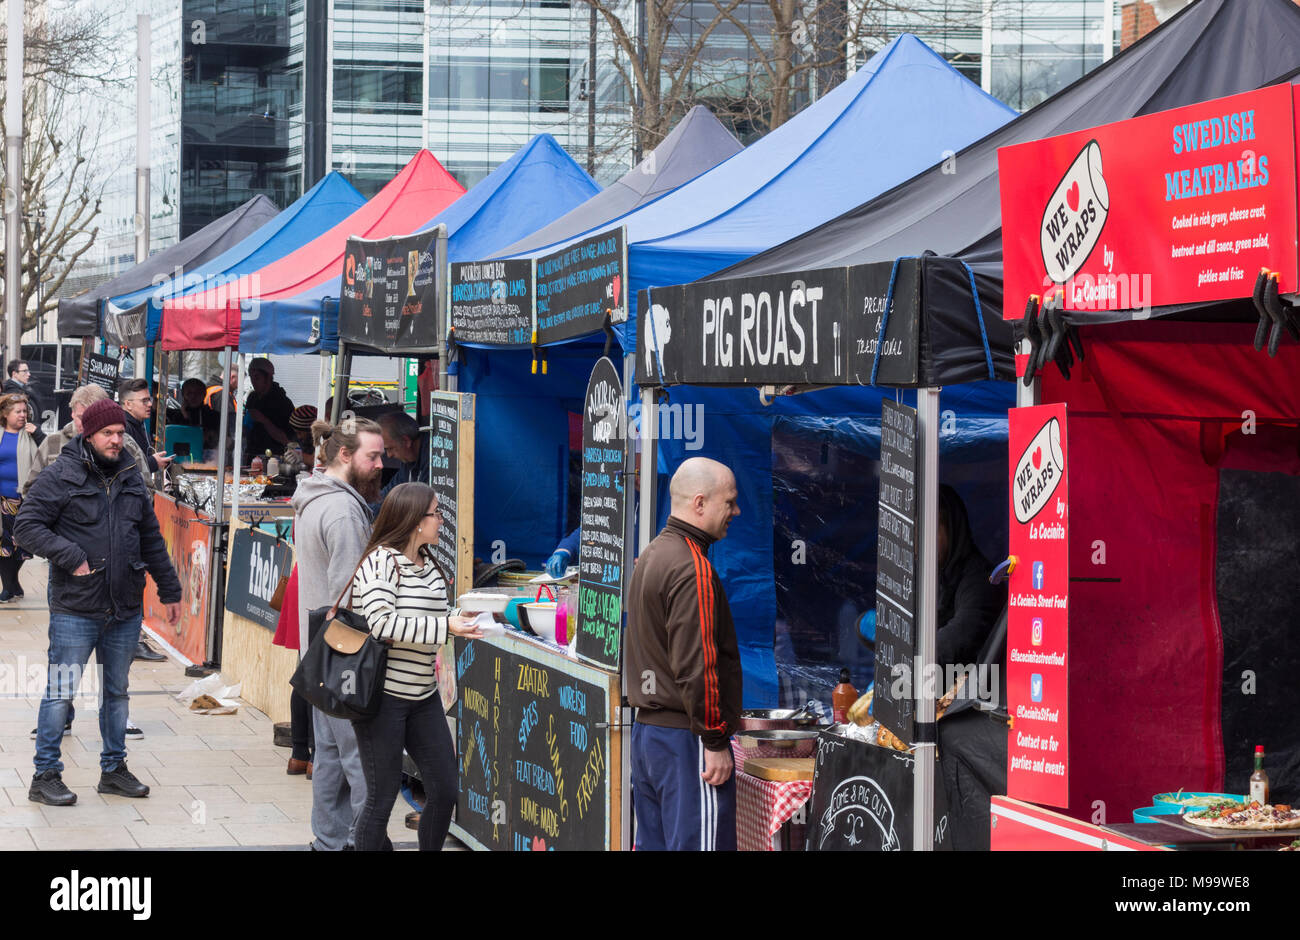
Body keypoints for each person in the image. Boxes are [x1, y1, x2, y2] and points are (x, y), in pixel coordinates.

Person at [17, 398, 182, 807]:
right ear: (88, 434)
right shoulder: (61, 475)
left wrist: (170, 589)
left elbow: (150, 537)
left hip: (124, 605)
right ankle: (45, 775)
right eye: (108, 433)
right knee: (61, 692)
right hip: (77, 607)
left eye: (120, 433)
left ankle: (113, 769)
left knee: (117, 693)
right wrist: (71, 556)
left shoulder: (129, 474)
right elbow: (26, 526)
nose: (116, 440)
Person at [348, 482, 484, 850]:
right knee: (381, 798)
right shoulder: (381, 562)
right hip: (383, 699)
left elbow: (432, 615)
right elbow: (381, 624)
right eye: (436, 513)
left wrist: (461, 616)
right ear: (413, 519)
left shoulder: (427, 562)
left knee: (444, 788)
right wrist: (445, 626)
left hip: (423, 695)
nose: (442, 520)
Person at [626, 456, 743, 851]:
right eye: (729, 502)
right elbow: (697, 665)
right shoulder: (693, 567)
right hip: (685, 742)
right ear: (699, 503)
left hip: (650, 737)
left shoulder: (654, 553)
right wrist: (714, 740)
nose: (736, 511)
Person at [291, 416, 385, 850]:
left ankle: (329, 841)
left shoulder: (313, 496)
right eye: (373, 456)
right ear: (345, 455)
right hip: (342, 649)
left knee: (329, 753)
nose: (381, 464)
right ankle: (362, 841)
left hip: (319, 644)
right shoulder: (344, 511)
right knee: (358, 757)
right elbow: (352, 597)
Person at [935, 484, 1005, 672]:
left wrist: (910, 654)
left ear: (952, 529)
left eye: (930, 530)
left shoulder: (981, 580)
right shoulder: (932, 577)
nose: (917, 541)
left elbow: (960, 637)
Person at [0, 394, 38, 602]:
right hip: (2, 500)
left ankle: (12, 582)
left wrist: (39, 434)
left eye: (25, 411)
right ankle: (9, 586)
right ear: (6, 414)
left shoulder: (30, 434)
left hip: (25, 499)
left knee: (24, 544)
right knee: (4, 544)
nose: (23, 415)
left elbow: (46, 455)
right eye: (18, 411)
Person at [118, 378, 173, 476]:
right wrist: (152, 462)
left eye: (149, 399)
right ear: (128, 404)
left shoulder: (138, 424)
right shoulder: (123, 429)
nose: (150, 404)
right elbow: (124, 467)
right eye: (144, 401)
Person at [245, 357, 295, 457]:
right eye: (251, 377)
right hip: (252, 454)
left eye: (257, 377)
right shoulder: (252, 398)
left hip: (274, 457)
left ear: (268, 377)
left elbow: (287, 440)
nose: (253, 381)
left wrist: (264, 420)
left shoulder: (283, 403)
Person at [376, 411, 429, 500]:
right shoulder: (408, 461)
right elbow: (389, 495)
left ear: (406, 441)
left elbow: (420, 504)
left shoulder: (431, 460)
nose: (389, 455)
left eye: (390, 448)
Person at [167, 377, 220, 451]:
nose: (193, 396)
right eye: (189, 393)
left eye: (197, 393)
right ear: (183, 394)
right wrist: (185, 415)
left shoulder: (213, 416)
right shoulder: (176, 416)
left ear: (204, 394)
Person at [4, 359, 45, 443]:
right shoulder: (12, 393)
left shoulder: (22, 389)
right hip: (21, 436)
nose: (29, 374)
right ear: (14, 374)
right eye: (25, 371)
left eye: (28, 371)